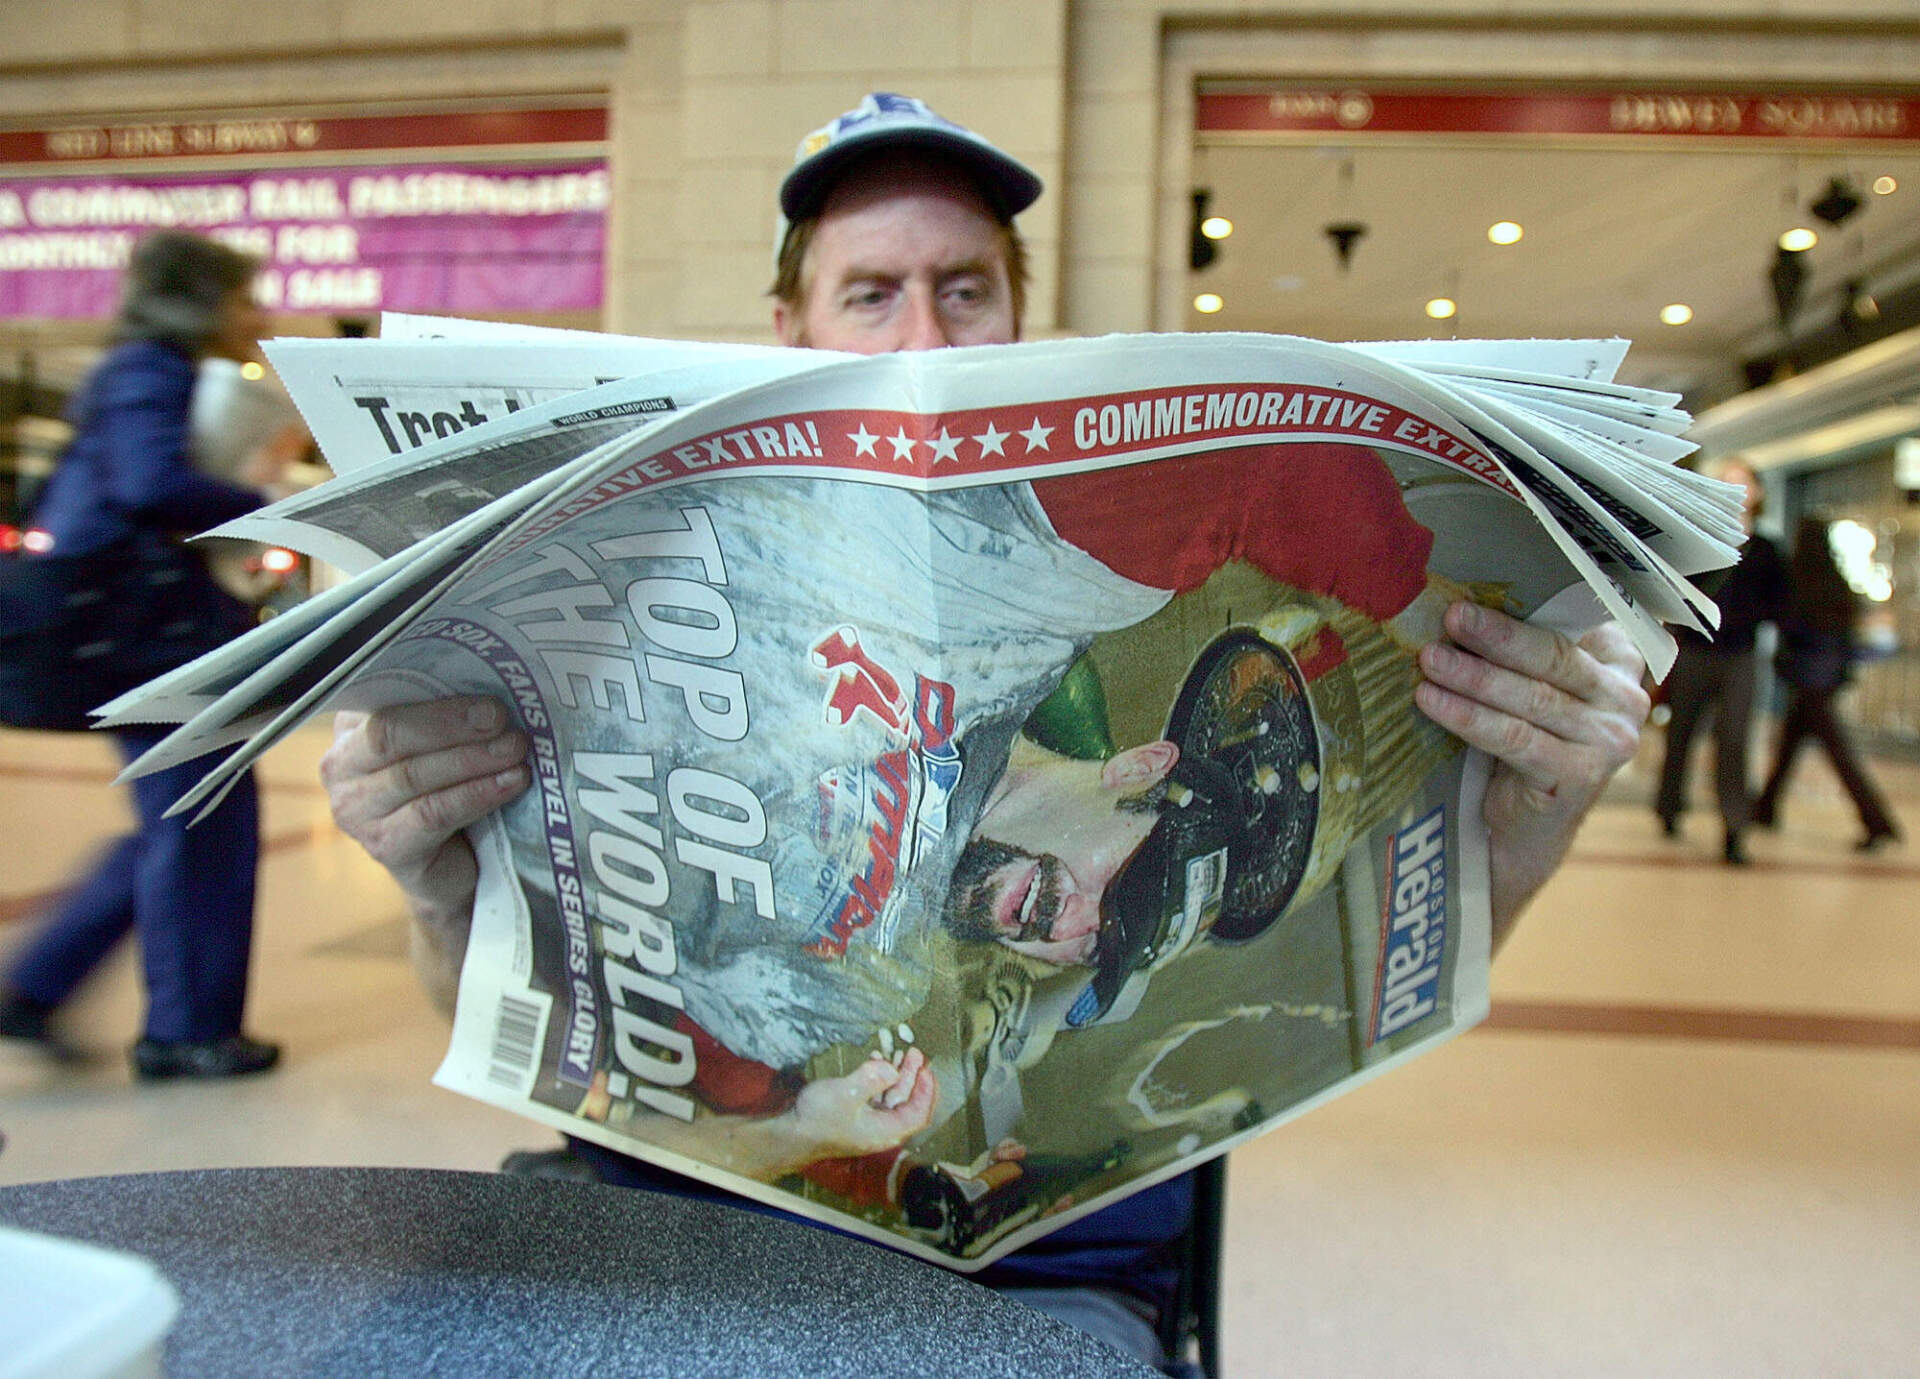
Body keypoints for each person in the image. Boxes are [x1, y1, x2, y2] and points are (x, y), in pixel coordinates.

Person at [319, 94, 1651, 1367]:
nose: (927, 339)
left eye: (966, 290)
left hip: (1038, 1291)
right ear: (785, 329)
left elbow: (1382, 969)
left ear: (1021, 320)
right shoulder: (951, 588)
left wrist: (1530, 777)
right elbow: (1253, 480)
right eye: (870, 294)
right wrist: (443, 896)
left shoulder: (914, 924)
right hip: (666, 1247)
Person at [0, 231, 282, 1079]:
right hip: (138, 633)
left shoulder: (156, 372)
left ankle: (36, 987)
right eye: (242, 299)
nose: (256, 315)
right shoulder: (148, 368)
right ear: (197, 304)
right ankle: (187, 1031)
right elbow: (147, 483)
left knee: (182, 815)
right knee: (202, 812)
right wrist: (263, 502)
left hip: (144, 627)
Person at [1652, 458, 1789, 865]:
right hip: (1694, 651)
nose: (1735, 491)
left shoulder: (1767, 551)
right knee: (1681, 733)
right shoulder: (1700, 543)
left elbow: (1781, 604)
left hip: (1740, 655)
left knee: (1733, 738)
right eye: (1726, 483)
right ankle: (1669, 806)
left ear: (1758, 492)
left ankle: (1734, 826)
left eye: (1742, 483)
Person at [1752, 516, 1900, 851]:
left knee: (1837, 752)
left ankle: (1876, 820)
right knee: (1790, 745)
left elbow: (1791, 626)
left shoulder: (1799, 582)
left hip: (1808, 679)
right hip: (1826, 677)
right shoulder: (1834, 581)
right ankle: (1764, 808)